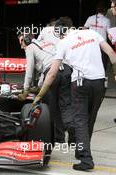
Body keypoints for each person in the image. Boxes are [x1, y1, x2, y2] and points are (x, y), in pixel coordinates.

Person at [32, 18, 116, 171]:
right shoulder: (92, 33)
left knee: (80, 120)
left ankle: (85, 159)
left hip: (80, 83)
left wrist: (39, 94)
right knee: (90, 119)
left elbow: (51, 74)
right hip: (99, 83)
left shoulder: (63, 43)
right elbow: (111, 53)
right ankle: (80, 150)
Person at [17, 31, 73, 144]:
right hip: (66, 70)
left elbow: (29, 72)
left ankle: (59, 138)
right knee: (66, 105)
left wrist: (25, 90)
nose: (21, 46)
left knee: (52, 107)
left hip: (53, 73)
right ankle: (73, 134)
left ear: (27, 40)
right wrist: (39, 85)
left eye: (21, 42)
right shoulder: (48, 42)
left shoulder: (30, 48)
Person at [85, 1, 110, 70]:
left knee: (91, 62)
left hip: (90, 44)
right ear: (105, 10)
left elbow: (84, 29)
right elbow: (109, 34)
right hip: (102, 46)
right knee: (101, 64)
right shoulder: (107, 20)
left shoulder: (90, 18)